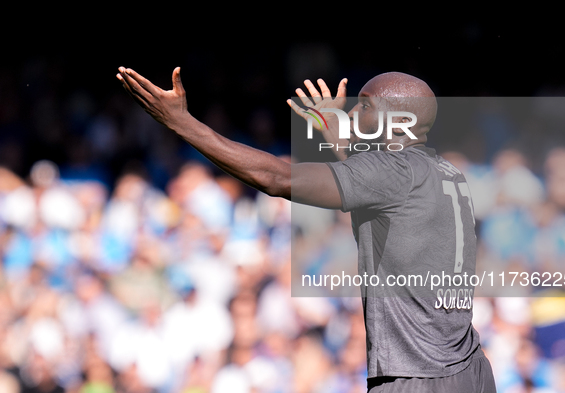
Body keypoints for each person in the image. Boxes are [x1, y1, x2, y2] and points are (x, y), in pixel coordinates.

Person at [116, 66, 496, 392]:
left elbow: (277, 179)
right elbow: (379, 195)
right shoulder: (446, 173)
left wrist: (181, 123)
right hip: (469, 370)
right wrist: (341, 141)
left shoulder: (391, 173)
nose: (352, 110)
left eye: (363, 105)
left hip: (416, 376)